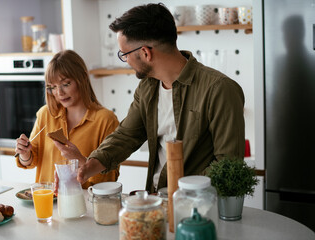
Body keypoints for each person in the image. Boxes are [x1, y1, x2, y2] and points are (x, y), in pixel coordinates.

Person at [79, 3, 245, 193]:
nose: (126, 62)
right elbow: (127, 135)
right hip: (156, 200)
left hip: (198, 209)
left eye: (124, 54)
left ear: (145, 53)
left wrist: (184, 195)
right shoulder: (147, 87)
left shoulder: (220, 89)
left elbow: (228, 163)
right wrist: (90, 166)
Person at [15, 50, 120, 189]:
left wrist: (81, 161)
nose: (59, 93)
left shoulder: (106, 120)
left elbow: (109, 179)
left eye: (66, 84)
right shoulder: (45, 114)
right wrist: (25, 153)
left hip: (86, 206)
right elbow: (30, 161)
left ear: (82, 78)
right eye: (52, 87)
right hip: (49, 204)